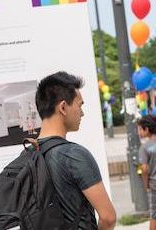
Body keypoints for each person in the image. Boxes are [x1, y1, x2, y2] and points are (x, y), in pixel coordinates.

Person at [35, 71, 116, 230]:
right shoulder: (74, 155)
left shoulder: (30, 154)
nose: (82, 113)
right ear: (63, 107)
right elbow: (108, 217)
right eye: (80, 105)